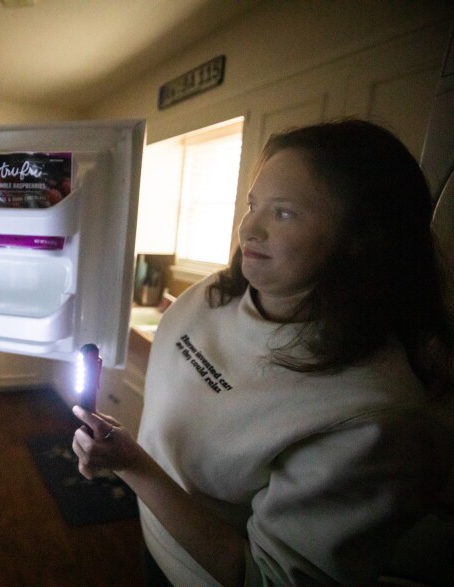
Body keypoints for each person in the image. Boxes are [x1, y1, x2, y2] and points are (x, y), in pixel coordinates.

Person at [72, 119, 454, 586]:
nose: (249, 228)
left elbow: (265, 577)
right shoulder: (216, 291)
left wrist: (133, 467)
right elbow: (193, 379)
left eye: (284, 213)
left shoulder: (372, 415)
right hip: (153, 540)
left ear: (362, 238)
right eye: (254, 204)